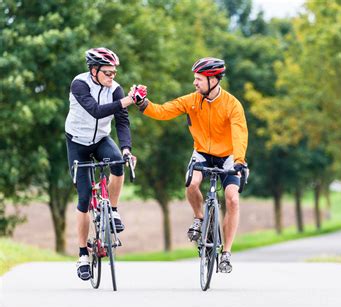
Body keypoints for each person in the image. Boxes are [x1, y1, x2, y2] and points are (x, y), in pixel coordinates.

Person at [131, 57, 248, 273]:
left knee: (232, 199)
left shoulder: (232, 105)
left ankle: (226, 253)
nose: (195, 83)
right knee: (192, 184)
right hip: (202, 153)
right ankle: (199, 218)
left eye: (199, 79)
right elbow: (164, 111)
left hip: (228, 156)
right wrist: (142, 103)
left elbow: (240, 134)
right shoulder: (192, 100)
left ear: (213, 80)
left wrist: (240, 162)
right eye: (195, 79)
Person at [65, 47, 136, 280]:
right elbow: (95, 111)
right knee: (84, 198)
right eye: (107, 72)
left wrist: (127, 149)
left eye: (114, 73)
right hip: (77, 143)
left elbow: (122, 122)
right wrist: (126, 101)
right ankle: (83, 254)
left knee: (118, 161)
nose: (111, 77)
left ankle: (113, 211)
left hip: (100, 139)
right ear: (93, 70)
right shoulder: (80, 84)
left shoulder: (115, 89)